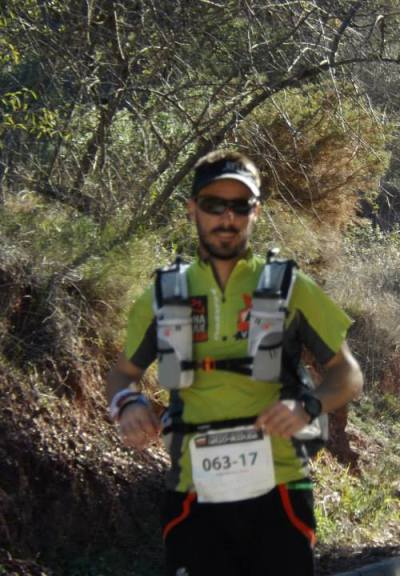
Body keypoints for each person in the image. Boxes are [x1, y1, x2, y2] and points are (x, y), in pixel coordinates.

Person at [105, 149, 363, 576]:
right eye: (213, 204)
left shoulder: (290, 287)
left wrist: (309, 406)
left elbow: (347, 373)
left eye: (239, 205)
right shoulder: (164, 295)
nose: (227, 217)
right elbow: (122, 374)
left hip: (280, 487)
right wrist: (127, 404)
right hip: (194, 491)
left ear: (255, 211)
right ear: (193, 210)